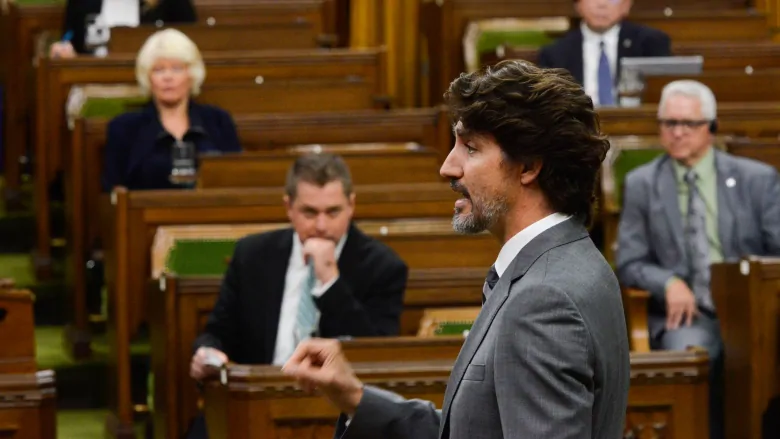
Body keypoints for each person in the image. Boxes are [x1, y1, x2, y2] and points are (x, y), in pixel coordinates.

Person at [282, 60, 630, 438]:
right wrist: (354, 397)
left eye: (470, 148)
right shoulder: (575, 262)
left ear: (528, 166)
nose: (448, 167)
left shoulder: (543, 300)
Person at [615, 80, 780, 439]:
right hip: (687, 313)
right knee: (691, 355)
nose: (676, 133)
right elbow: (629, 260)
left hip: (754, 311)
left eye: (687, 124)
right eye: (667, 123)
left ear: (711, 127)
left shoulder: (757, 179)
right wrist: (668, 283)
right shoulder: (642, 183)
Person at [191, 152, 408, 371]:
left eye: (333, 212)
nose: (321, 226)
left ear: (351, 205)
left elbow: (375, 356)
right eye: (310, 212)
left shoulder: (383, 267)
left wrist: (330, 281)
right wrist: (207, 352)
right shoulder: (252, 255)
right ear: (289, 208)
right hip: (263, 393)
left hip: (338, 400)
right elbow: (217, 334)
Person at [100, 29, 241, 193]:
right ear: (148, 77)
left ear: (191, 75)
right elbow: (114, 189)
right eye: (158, 70)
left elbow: (236, 182)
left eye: (177, 69)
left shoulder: (218, 121)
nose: (168, 77)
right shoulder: (124, 128)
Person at [537, 0, 670, 106]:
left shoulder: (652, 43)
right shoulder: (554, 53)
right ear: (578, 4)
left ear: (627, 4)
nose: (602, 4)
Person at [50, 0, 196, 58]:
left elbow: (191, 38)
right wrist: (65, 49)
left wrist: (156, 7)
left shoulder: (170, 3)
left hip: (153, 78)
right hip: (91, 75)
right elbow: (69, 37)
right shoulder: (83, 2)